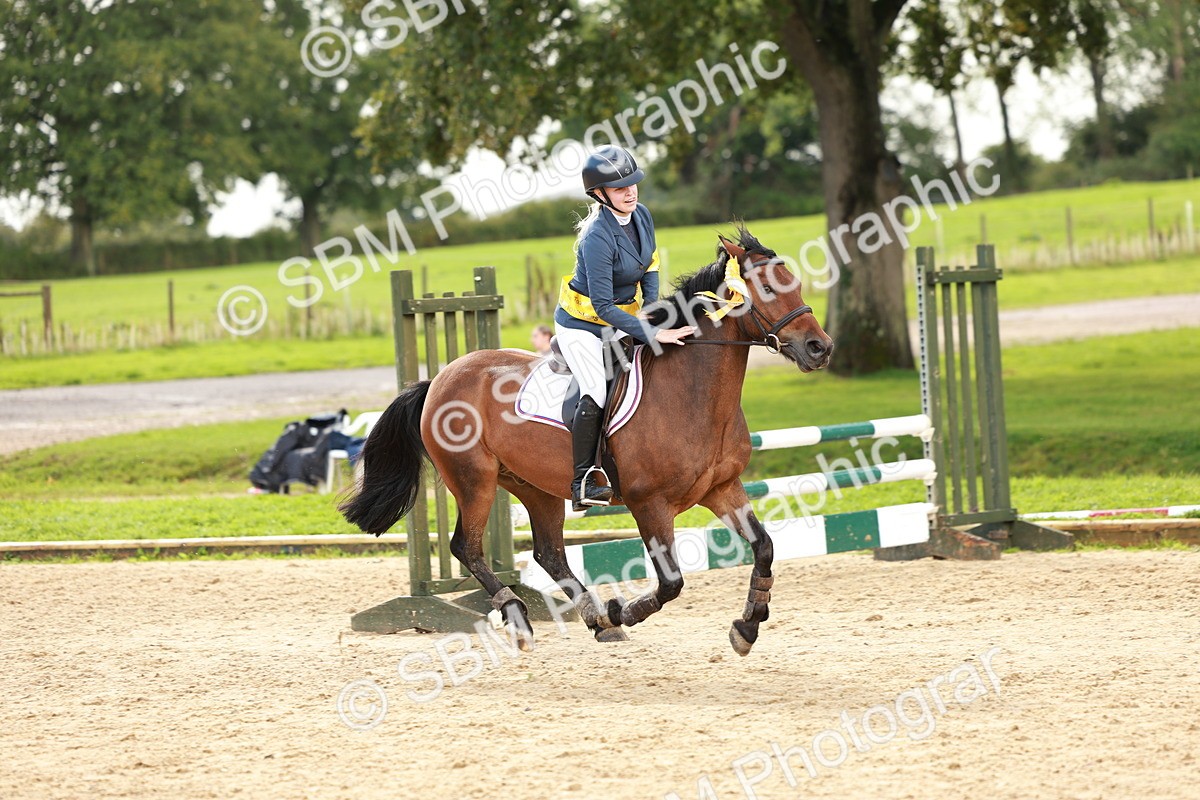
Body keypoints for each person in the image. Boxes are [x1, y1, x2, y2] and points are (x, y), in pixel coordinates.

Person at [555, 145, 696, 510]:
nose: (630, 192)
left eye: (633, 184)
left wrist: (651, 311)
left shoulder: (641, 215)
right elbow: (602, 307)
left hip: (624, 314)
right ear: (600, 195)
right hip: (584, 325)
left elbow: (650, 263)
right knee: (597, 391)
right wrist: (652, 332)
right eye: (620, 189)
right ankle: (583, 480)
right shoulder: (596, 238)